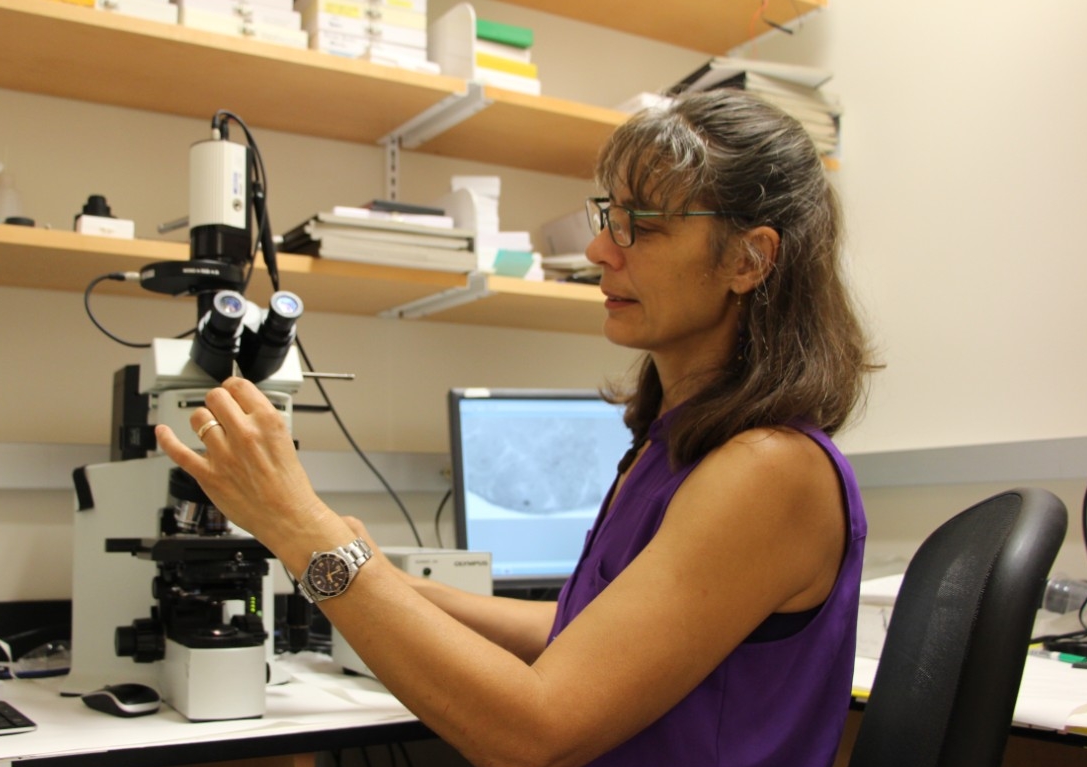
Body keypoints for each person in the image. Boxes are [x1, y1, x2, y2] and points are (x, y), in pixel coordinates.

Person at [155, 89, 878, 767]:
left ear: (749, 259)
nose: (601, 250)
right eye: (609, 216)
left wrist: (302, 528)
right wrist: (377, 571)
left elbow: (535, 731)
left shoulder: (766, 470)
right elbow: (572, 633)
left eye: (642, 226)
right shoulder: (670, 444)